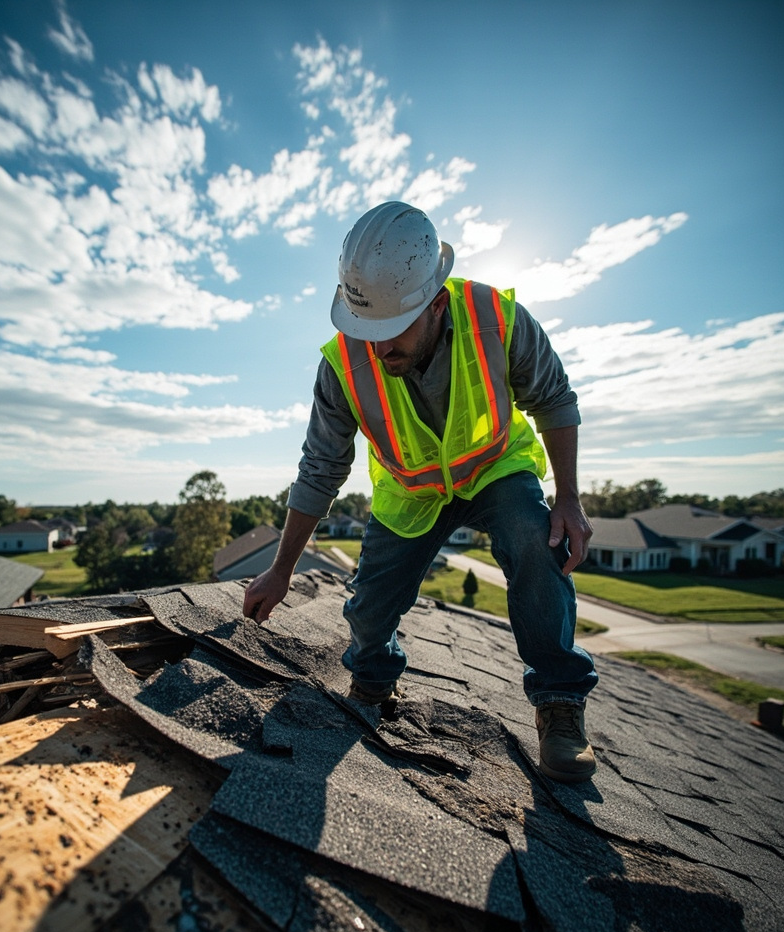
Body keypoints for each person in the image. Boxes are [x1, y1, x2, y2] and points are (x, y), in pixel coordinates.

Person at [243, 201, 598, 783]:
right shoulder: (343, 363)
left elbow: (555, 399)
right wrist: (281, 570)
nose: (377, 351)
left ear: (436, 304)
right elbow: (320, 469)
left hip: (493, 469)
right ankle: (373, 680)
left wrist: (568, 499)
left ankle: (560, 704)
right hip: (413, 492)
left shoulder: (498, 319)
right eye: (366, 332)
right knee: (370, 605)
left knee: (537, 541)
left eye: (390, 332)